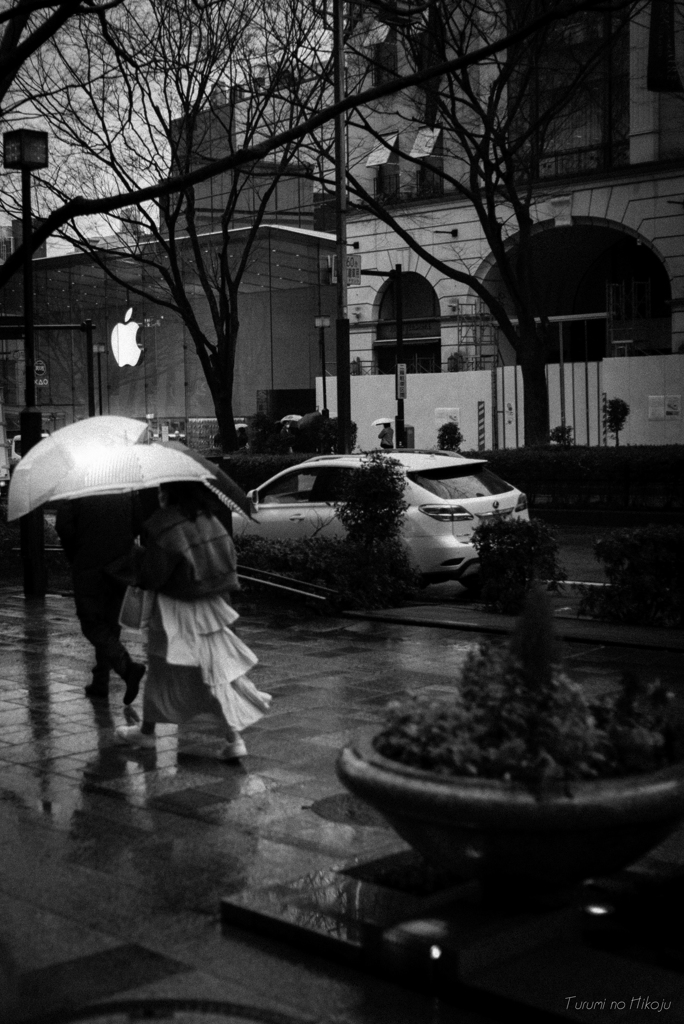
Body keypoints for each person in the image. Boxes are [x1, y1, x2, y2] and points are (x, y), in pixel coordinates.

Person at [115, 481, 270, 760]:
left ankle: (148, 733)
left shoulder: (164, 526)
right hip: (213, 609)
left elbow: (153, 576)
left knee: (163, 670)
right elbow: (229, 562)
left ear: (170, 493)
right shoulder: (209, 519)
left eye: (163, 489)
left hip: (175, 610)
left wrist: (136, 556)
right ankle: (233, 738)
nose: (160, 493)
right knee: (214, 672)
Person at [55, 493, 148, 702]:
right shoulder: (126, 489)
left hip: (89, 564)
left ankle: (127, 668)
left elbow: (64, 526)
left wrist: (77, 552)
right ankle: (100, 681)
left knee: (92, 623)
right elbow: (138, 522)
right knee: (111, 623)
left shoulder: (78, 488)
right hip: (120, 564)